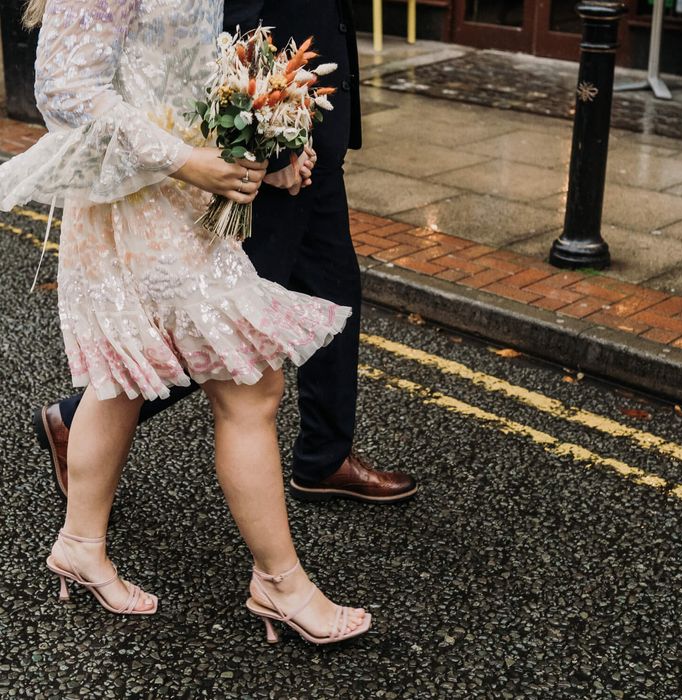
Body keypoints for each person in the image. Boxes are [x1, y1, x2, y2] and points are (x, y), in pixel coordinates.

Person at [5, 0, 370, 644]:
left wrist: (262, 146)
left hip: (175, 192)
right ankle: (279, 584)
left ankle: (81, 545)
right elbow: (64, 89)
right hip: (138, 198)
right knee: (253, 387)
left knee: (120, 378)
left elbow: (194, 68)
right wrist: (185, 160)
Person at [34, 0, 419, 505]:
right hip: (271, 127)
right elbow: (235, 12)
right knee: (224, 326)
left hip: (311, 122)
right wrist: (265, 147)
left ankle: (325, 456)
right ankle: (74, 423)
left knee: (333, 288)